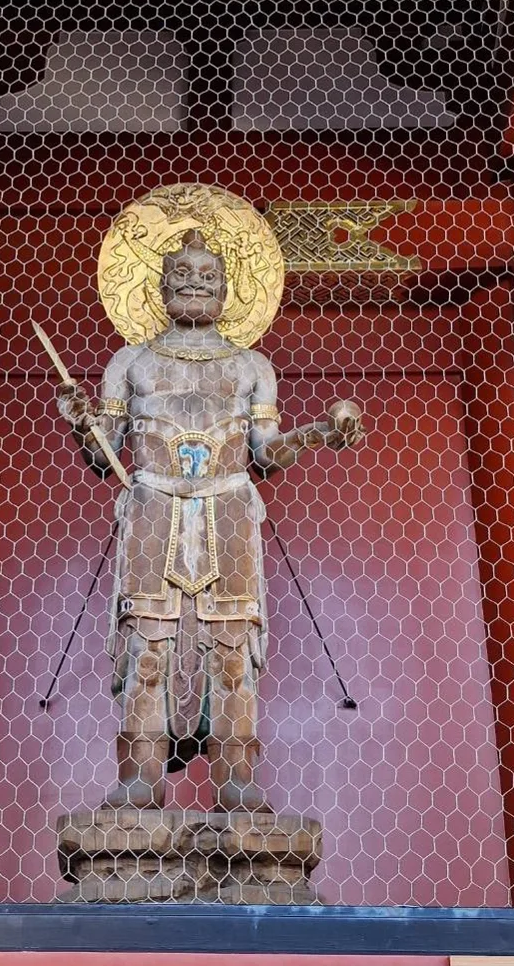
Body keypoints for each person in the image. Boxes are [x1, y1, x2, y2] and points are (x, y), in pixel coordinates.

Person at [58, 229, 363, 813]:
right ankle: (140, 779)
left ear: (228, 291)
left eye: (209, 278)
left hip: (228, 509)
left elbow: (266, 454)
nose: (195, 285)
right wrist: (81, 422)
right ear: (160, 287)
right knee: (146, 644)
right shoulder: (132, 362)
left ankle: (237, 782)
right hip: (152, 506)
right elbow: (104, 457)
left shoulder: (252, 367)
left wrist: (322, 432)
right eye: (182, 276)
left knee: (233, 647)